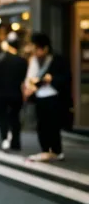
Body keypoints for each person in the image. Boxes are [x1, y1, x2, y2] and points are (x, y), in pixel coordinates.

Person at [24, 33, 71, 161]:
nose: (35, 52)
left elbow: (66, 78)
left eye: (37, 48)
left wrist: (52, 79)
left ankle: (57, 150)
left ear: (45, 48)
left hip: (54, 97)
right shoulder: (34, 60)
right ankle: (45, 150)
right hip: (39, 96)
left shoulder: (58, 60)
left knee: (53, 125)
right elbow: (30, 78)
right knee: (41, 125)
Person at [0, 32, 28, 151]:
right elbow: (24, 78)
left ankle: (5, 139)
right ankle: (16, 142)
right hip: (16, 93)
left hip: (0, 94)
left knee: (3, 117)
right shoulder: (22, 61)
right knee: (15, 117)